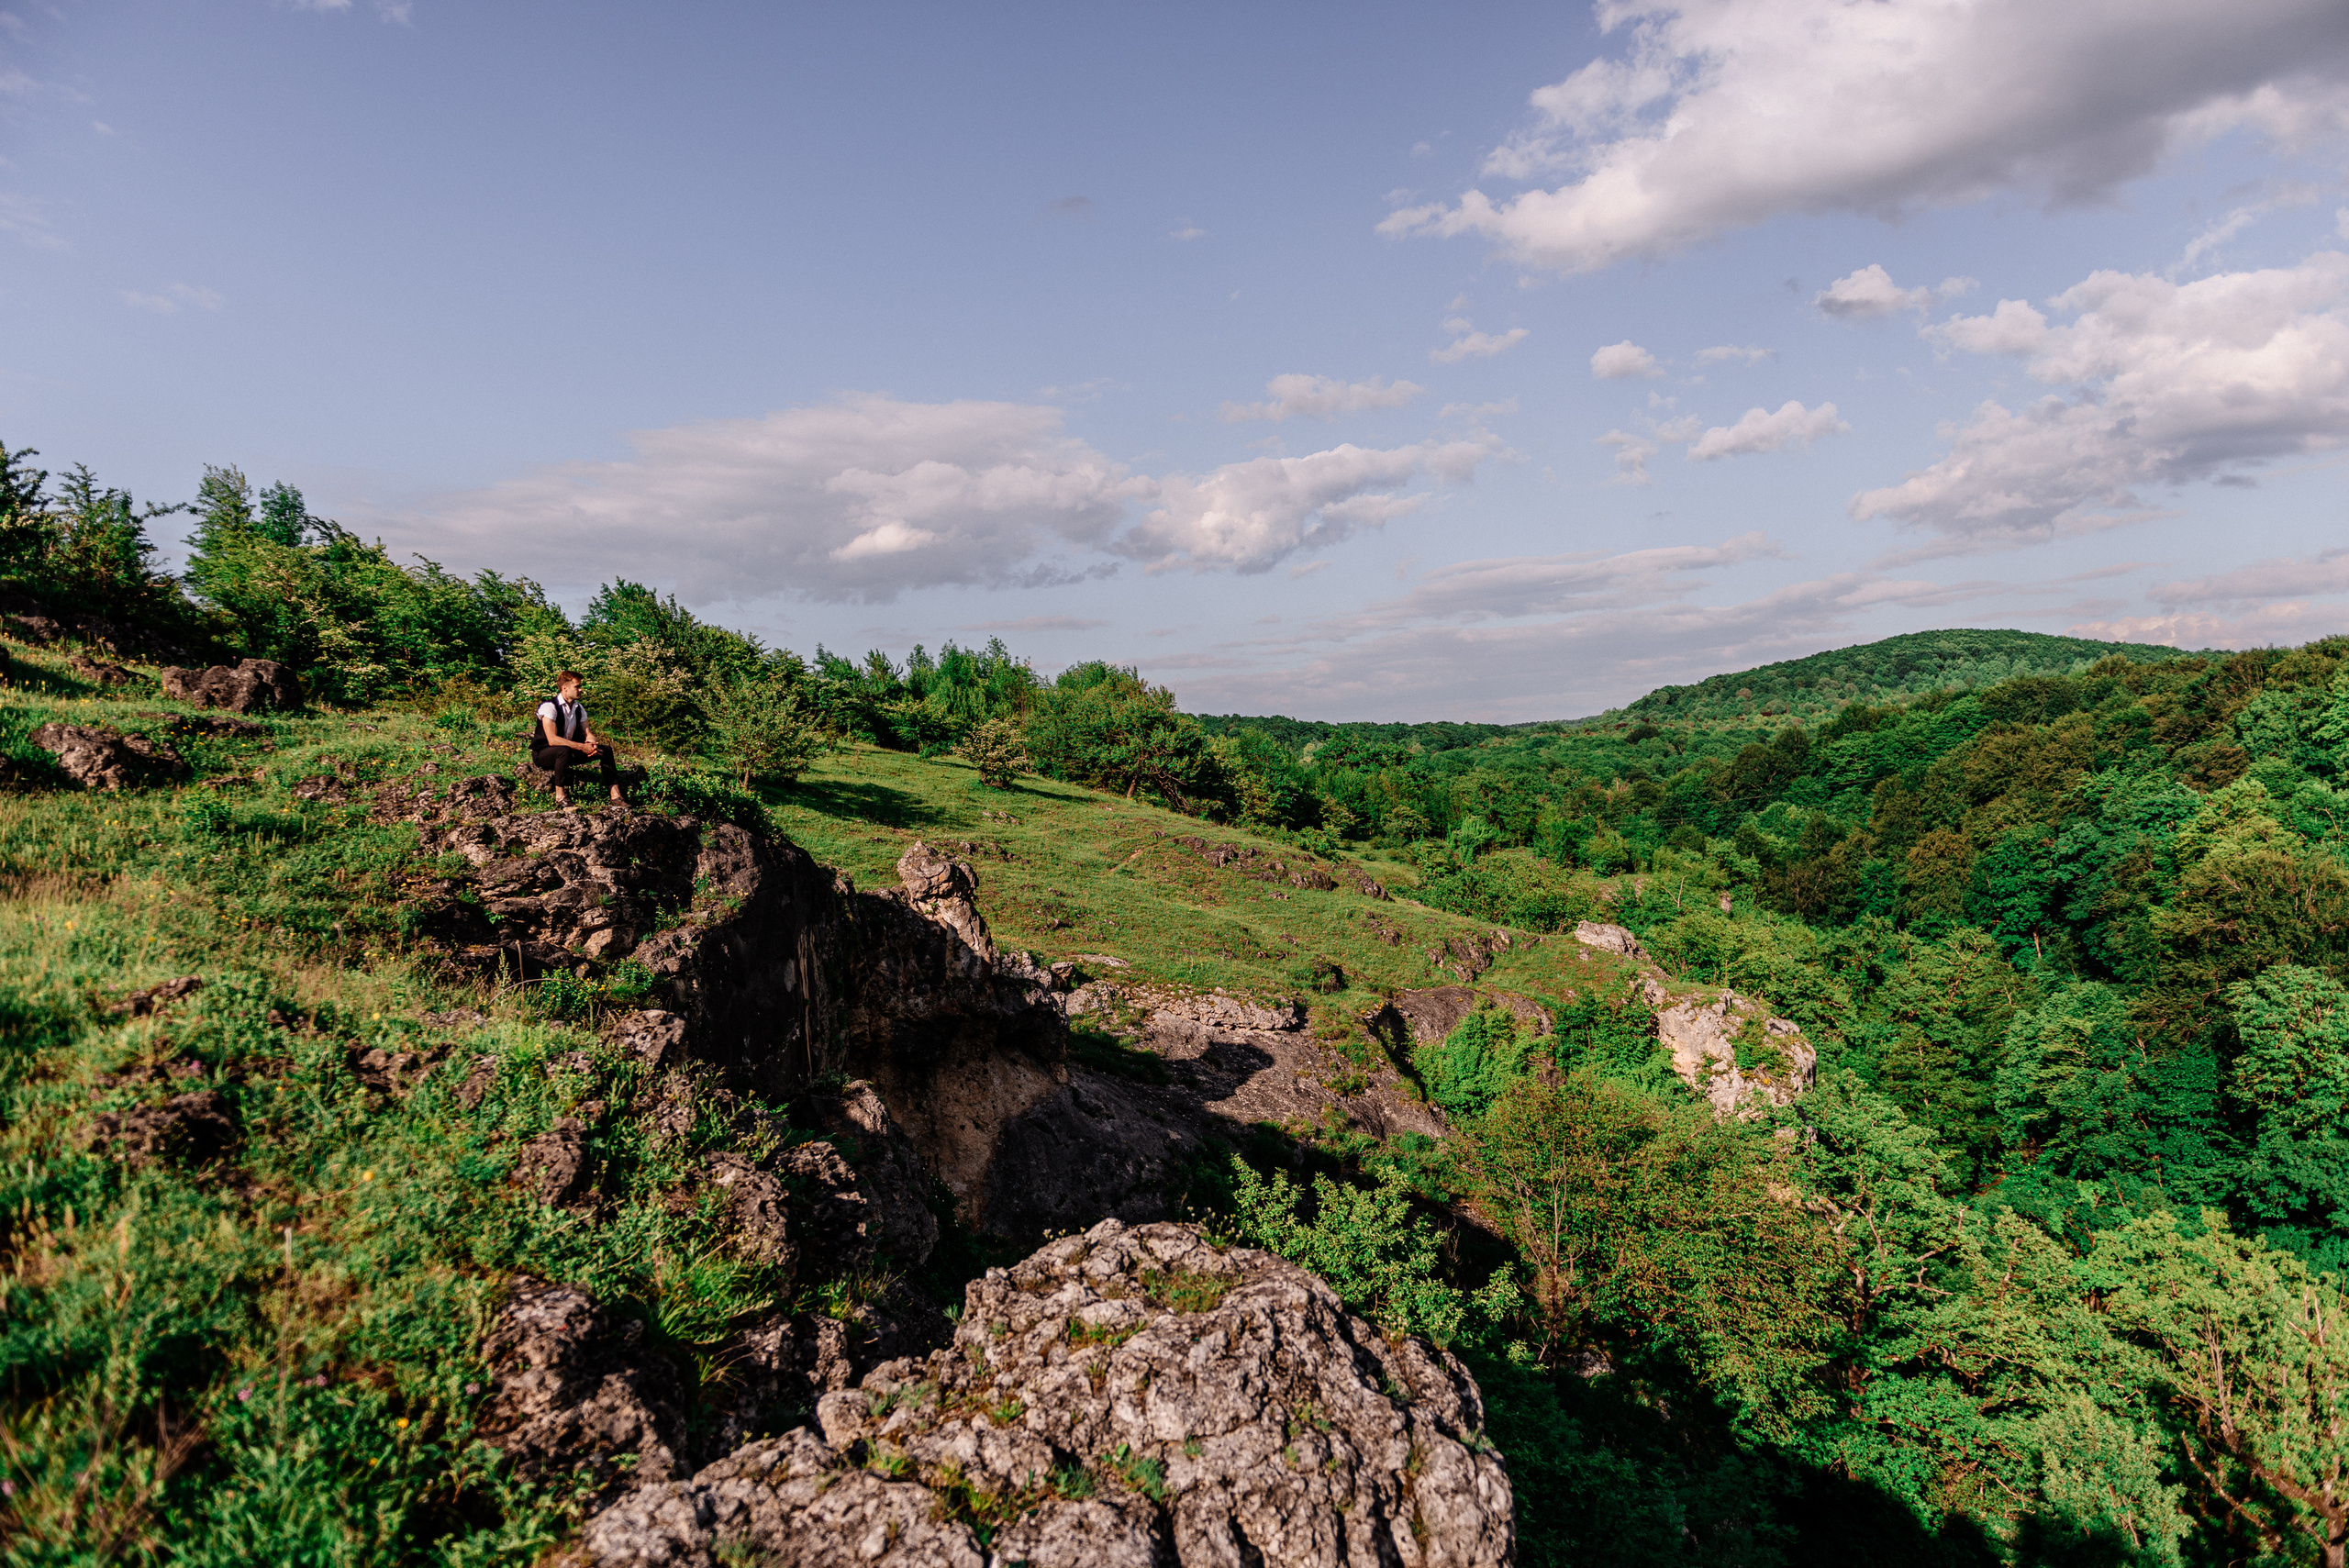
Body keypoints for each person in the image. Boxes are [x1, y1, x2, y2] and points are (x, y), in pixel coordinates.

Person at [532, 671, 623, 806]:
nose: (581, 690)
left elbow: (588, 732)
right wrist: (581, 747)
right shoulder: (549, 707)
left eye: (581, 686)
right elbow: (552, 740)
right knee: (563, 750)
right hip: (544, 754)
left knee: (606, 750)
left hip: (568, 752)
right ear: (565, 688)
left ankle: (616, 796)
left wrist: (591, 743)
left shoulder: (578, 708)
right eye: (577, 687)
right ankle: (560, 796)